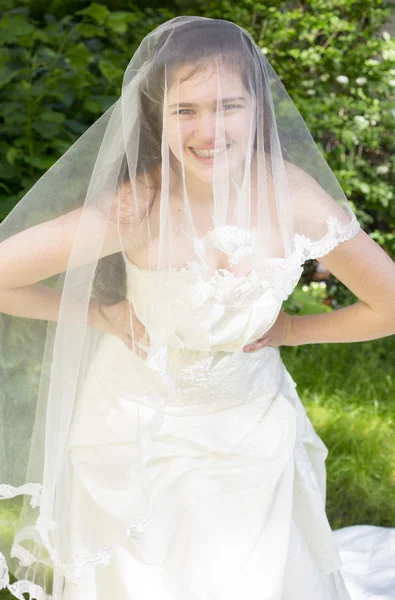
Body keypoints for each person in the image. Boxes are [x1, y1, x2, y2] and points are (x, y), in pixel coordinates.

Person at [0, 15, 395, 600]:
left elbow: (388, 304)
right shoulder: (139, 206)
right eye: (186, 110)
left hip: (250, 426)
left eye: (228, 105)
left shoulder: (296, 200)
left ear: (258, 108)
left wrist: (293, 327)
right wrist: (98, 314)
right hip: (136, 431)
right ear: (159, 117)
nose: (209, 130)